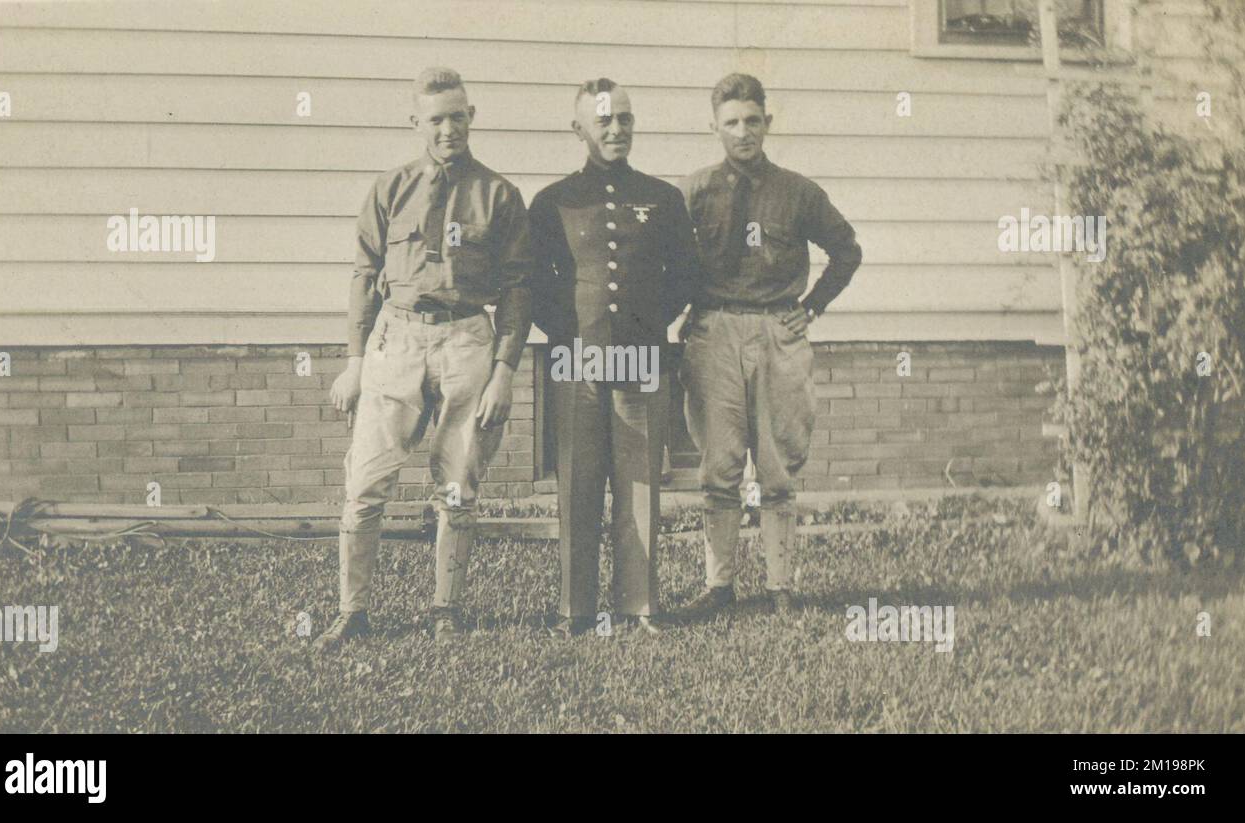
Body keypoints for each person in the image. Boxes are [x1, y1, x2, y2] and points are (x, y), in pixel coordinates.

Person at [317, 67, 533, 650]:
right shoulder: (390, 189)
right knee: (365, 482)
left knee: (458, 485)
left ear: (472, 116)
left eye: (457, 116)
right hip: (398, 337)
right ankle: (352, 612)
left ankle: (446, 608)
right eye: (435, 118)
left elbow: (518, 287)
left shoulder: (501, 195)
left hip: (468, 339)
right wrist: (356, 361)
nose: (447, 129)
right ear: (415, 121)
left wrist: (505, 372)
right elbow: (365, 276)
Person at [677, 73, 862, 618]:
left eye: (752, 120)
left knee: (778, 465)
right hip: (715, 332)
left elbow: (847, 251)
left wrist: (811, 308)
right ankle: (719, 587)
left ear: (767, 122)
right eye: (731, 122)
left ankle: (781, 587)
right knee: (720, 465)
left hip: (779, 331)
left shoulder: (797, 191)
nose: (743, 132)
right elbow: (666, 262)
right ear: (714, 127)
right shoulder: (693, 191)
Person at [529, 78, 701, 637]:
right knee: (577, 485)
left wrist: (645, 331)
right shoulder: (554, 202)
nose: (616, 129)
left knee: (640, 485)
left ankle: (641, 606)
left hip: (642, 360)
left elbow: (686, 277)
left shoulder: (663, 198)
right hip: (574, 364)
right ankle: (575, 612)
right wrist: (572, 341)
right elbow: (535, 284)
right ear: (578, 129)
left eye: (624, 118)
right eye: (603, 121)